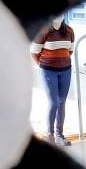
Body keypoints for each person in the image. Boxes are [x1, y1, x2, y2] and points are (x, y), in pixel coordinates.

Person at [30, 16, 75, 146]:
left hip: (66, 70)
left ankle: (60, 135)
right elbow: (34, 52)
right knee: (53, 102)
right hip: (48, 70)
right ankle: (50, 136)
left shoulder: (70, 31)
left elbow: (69, 51)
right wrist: (44, 65)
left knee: (62, 102)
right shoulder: (43, 31)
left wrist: (60, 60)